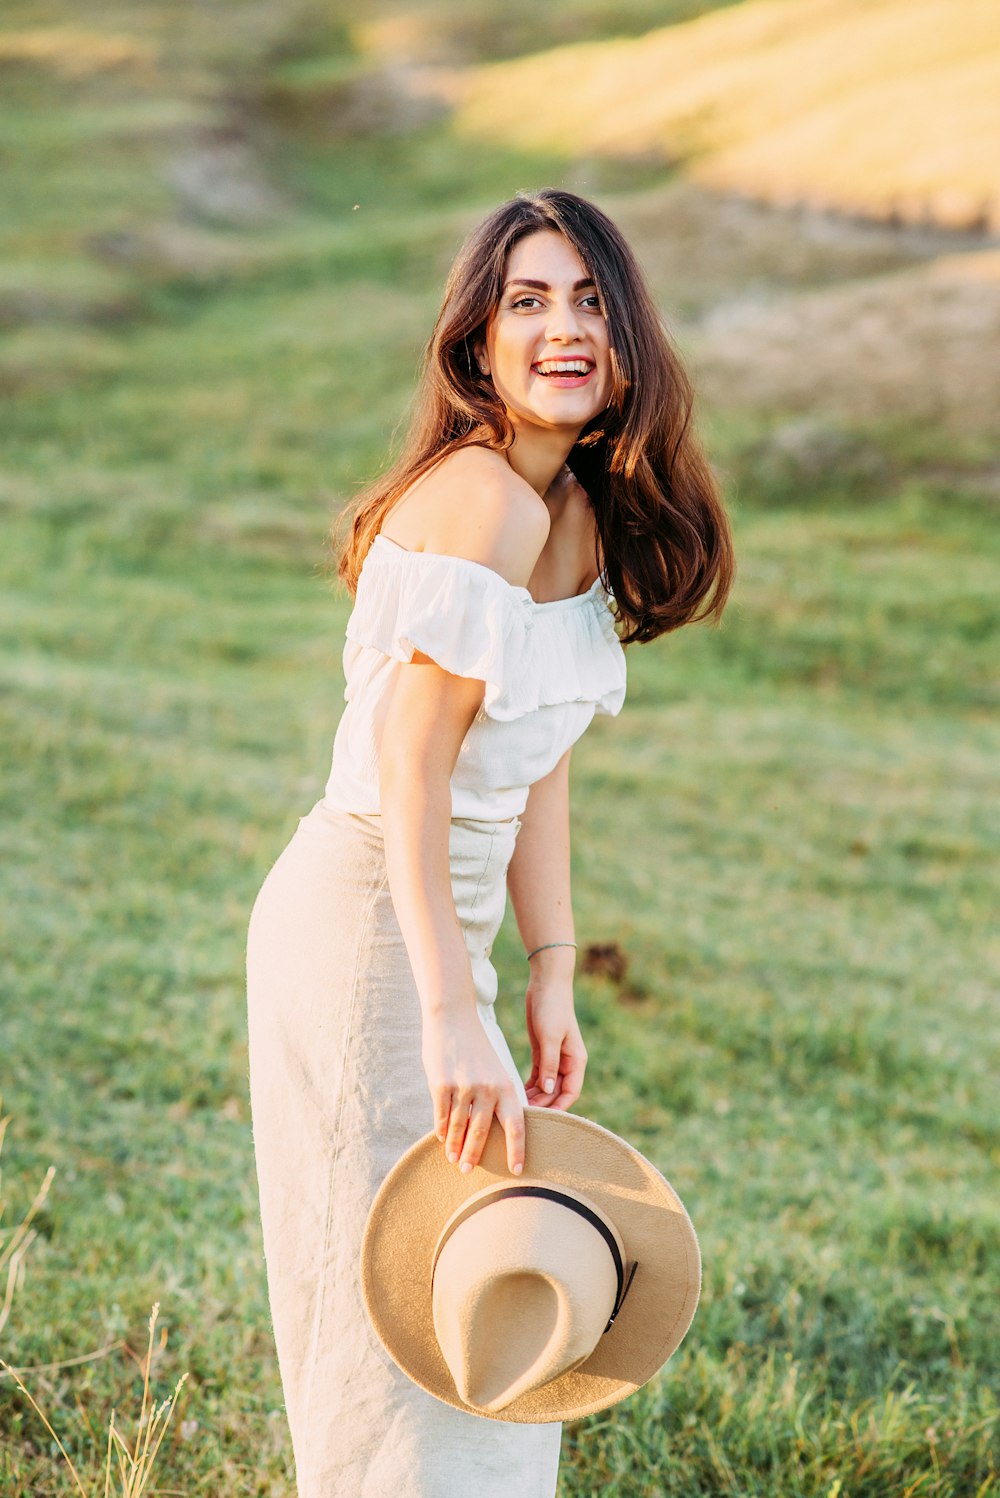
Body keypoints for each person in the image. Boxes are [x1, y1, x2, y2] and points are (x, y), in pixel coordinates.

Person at [246, 187, 734, 1498]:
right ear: (477, 341)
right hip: (363, 923)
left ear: (627, 334)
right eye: (528, 299)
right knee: (400, 1295)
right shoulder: (482, 502)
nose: (563, 326)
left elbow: (538, 759)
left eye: (588, 299)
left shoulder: (565, 512)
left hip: (439, 926)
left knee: (484, 1262)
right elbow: (412, 763)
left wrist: (550, 965)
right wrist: (454, 1007)